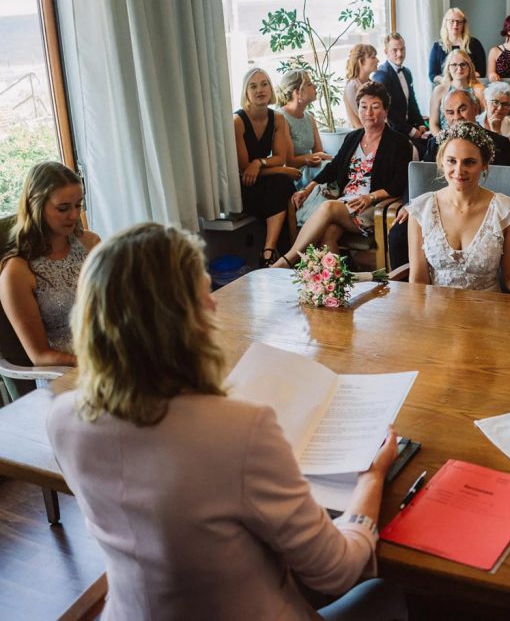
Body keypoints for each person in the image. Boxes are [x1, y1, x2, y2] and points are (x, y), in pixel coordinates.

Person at [47, 222, 407, 621]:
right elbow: (335, 572)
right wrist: (372, 477)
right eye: (205, 297)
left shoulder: (63, 418)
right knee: (386, 594)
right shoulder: (240, 429)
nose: (216, 305)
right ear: (178, 323)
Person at [274, 82, 411, 268]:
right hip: (346, 204)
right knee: (327, 235)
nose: (368, 113)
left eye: (375, 107)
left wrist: (370, 197)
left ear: (386, 111)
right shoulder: (353, 137)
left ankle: (288, 259)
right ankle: (342, 286)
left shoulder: (399, 143)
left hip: (372, 207)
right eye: (363, 107)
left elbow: (399, 183)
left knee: (329, 207)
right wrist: (307, 190)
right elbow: (333, 168)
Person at [407, 121, 510, 295]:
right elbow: (418, 280)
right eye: (451, 161)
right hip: (436, 313)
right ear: (441, 161)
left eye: (469, 162)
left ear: (484, 164)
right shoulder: (421, 211)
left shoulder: (505, 212)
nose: (459, 170)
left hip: (486, 312)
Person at [0, 162, 99, 367]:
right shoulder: (17, 272)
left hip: (110, 354)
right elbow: (40, 356)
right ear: (36, 206)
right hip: (62, 373)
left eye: (78, 205)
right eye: (63, 208)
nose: (74, 215)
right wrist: (94, 364)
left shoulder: (92, 244)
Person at [233, 67, 300, 267]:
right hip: (244, 185)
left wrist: (259, 162)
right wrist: (281, 170)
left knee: (281, 185)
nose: (260, 90)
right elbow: (246, 171)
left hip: (264, 180)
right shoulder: (237, 121)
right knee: (282, 184)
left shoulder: (277, 118)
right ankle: (281, 254)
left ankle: (268, 252)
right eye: (253, 86)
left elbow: (280, 158)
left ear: (271, 89)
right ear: (246, 92)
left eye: (264, 84)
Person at [277, 69, 333, 189]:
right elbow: (289, 162)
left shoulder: (309, 118)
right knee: (330, 169)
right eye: (309, 84)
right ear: (297, 92)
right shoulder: (281, 118)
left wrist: (319, 157)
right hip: (295, 175)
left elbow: (319, 151)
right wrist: (314, 157)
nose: (315, 85)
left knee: (335, 167)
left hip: (312, 168)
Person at [371, 32, 427, 141]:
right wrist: (411, 131)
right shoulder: (381, 75)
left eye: (402, 49)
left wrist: (421, 124)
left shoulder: (406, 72)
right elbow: (389, 113)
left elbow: (412, 102)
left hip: (410, 127)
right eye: (395, 50)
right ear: (386, 52)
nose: (400, 54)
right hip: (394, 133)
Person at [428, 48, 486, 135]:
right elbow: (433, 124)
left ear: (469, 67)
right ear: (448, 68)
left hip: (474, 137)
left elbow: (486, 120)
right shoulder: (439, 90)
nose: (459, 68)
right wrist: (443, 141)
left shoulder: (479, 90)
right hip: (445, 138)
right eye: (454, 65)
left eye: (463, 64)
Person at [428, 7, 486, 85]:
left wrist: (461, 80)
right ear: (446, 23)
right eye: (452, 21)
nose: (455, 25)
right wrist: (446, 81)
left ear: (464, 24)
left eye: (459, 22)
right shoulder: (437, 46)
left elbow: (481, 71)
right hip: (446, 89)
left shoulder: (474, 44)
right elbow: (432, 75)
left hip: (470, 88)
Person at [478, 81, 510, 150]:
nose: (499, 108)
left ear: (509, 107)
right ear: (485, 103)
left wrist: (497, 132)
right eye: (495, 102)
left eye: (505, 104)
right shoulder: (474, 121)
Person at [343, 44, 378, 129]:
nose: (377, 60)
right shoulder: (352, 86)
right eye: (373, 57)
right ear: (361, 62)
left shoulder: (373, 84)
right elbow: (359, 121)